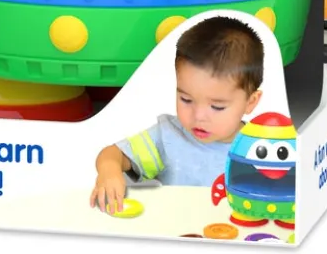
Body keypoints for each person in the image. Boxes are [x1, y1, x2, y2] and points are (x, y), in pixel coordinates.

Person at [91, 16, 264, 211]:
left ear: (250, 102)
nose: (199, 116)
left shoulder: (262, 149)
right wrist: (109, 171)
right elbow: (112, 154)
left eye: (217, 107)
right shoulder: (168, 137)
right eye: (186, 99)